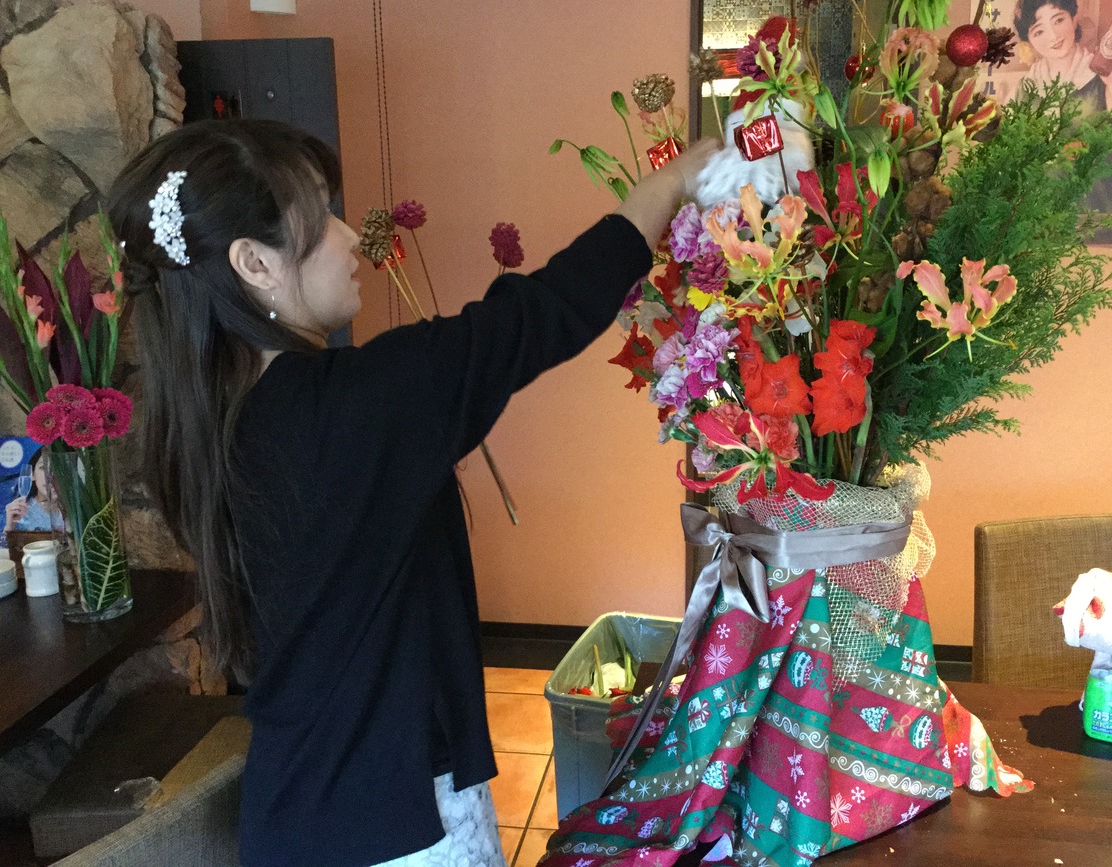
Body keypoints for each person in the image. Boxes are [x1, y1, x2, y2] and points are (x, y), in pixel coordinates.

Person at [105, 118, 714, 867]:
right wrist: (675, 179)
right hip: (394, 823)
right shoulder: (350, 408)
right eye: (323, 216)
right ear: (255, 263)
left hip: (297, 811)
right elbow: (542, 313)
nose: (350, 239)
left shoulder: (205, 425)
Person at [1012, 0, 1112, 147]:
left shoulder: (1099, 73)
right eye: (1039, 31)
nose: (1053, 36)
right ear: (1029, 41)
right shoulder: (1027, 87)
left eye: (1058, 21)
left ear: (1073, 19)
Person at [4, 449, 62, 533]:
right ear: (32, 474)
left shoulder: (75, 513)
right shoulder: (20, 513)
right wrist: (9, 527)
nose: (50, 476)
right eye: (43, 468)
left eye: (58, 468)